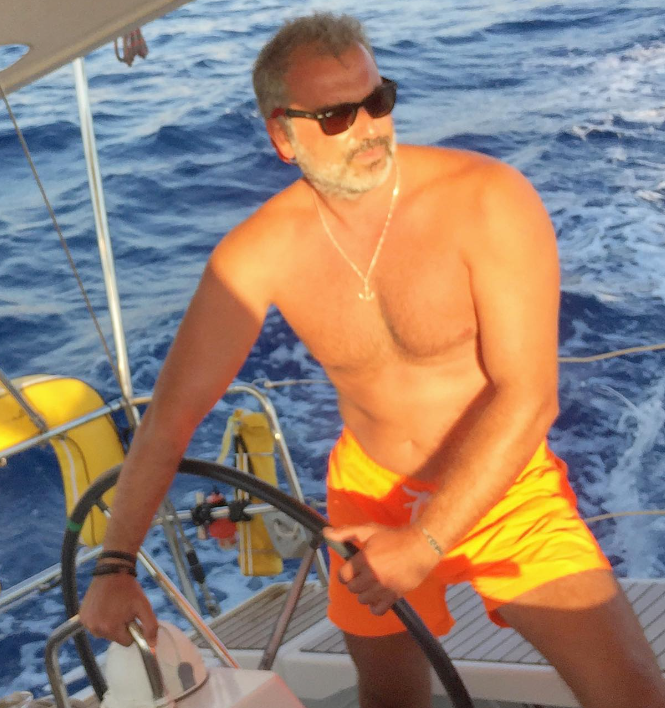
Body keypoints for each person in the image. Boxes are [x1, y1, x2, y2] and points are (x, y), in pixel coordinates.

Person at [80, 13, 665, 708]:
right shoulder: (256, 254)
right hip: (369, 497)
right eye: (336, 116)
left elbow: (528, 396)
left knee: (632, 693)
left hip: (504, 487)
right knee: (388, 697)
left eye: (377, 100)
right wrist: (115, 564)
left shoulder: (488, 199)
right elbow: (171, 417)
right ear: (282, 136)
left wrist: (425, 540)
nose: (368, 128)